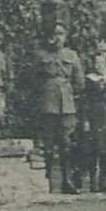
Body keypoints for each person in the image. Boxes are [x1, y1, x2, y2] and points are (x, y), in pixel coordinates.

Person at [35, 21, 84, 194]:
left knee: (67, 144)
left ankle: (67, 181)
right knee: (48, 144)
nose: (58, 38)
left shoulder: (72, 55)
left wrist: (70, 94)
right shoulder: (41, 55)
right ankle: (48, 181)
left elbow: (79, 81)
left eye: (61, 34)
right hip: (48, 105)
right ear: (49, 37)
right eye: (55, 34)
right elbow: (33, 80)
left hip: (67, 106)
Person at [80, 50, 106, 192]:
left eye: (102, 62)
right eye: (97, 62)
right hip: (94, 116)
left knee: (105, 151)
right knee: (94, 150)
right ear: (93, 64)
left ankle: (103, 182)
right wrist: (85, 120)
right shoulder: (89, 80)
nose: (100, 65)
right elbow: (84, 101)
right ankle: (93, 182)